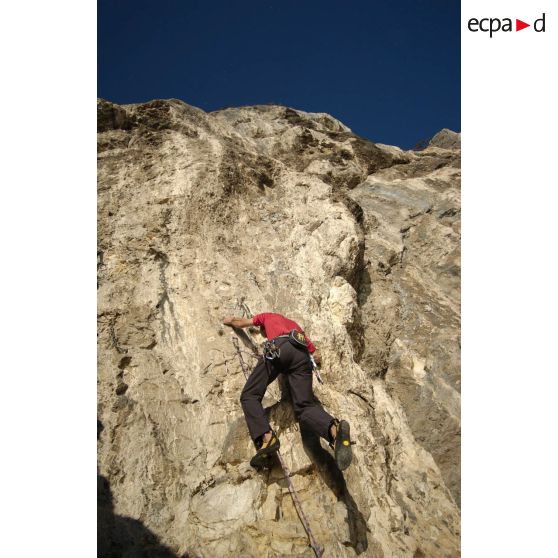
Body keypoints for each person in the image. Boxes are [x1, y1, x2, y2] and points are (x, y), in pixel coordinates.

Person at [223, 312, 353, 470]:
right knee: (305, 407)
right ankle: (334, 430)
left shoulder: (266, 316)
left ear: (263, 327)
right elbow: (316, 356)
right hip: (302, 357)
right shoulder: (295, 325)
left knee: (249, 395)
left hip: (280, 348)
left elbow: (241, 322)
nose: (264, 335)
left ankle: (267, 438)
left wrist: (229, 320)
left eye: (263, 332)